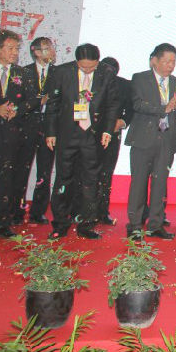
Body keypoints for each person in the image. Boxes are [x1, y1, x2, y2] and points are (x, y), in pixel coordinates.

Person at [45, 43, 120, 240]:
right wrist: (51, 133)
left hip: (92, 135)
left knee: (91, 180)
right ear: (76, 62)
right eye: (83, 67)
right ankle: (60, 223)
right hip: (67, 133)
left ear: (98, 62)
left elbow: (113, 105)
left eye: (92, 67)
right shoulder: (62, 72)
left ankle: (87, 224)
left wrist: (108, 131)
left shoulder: (107, 73)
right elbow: (53, 104)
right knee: (63, 178)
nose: (87, 70)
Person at [124, 43, 176, 239]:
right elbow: (137, 104)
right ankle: (134, 225)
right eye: (166, 61)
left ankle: (156, 225)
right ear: (154, 61)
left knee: (160, 185)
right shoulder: (140, 78)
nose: (170, 65)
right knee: (139, 183)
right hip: (143, 139)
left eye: (173, 62)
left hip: (166, 140)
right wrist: (163, 108)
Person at [13, 36, 56, 226]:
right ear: (36, 52)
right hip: (26, 126)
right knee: (21, 170)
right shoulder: (23, 72)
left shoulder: (58, 73)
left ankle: (38, 212)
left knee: (45, 172)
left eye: (51, 47)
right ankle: (16, 210)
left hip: (49, 128)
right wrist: (39, 101)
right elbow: (18, 102)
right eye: (46, 48)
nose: (51, 51)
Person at [0, 29, 29, 238]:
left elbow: (32, 100)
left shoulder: (21, 73)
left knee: (6, 180)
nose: (15, 52)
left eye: (17, 48)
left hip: (10, 134)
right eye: (10, 48)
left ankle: (2, 224)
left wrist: (17, 110)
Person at [95, 56, 134, 225]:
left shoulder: (125, 85)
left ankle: (102, 211)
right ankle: (82, 210)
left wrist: (122, 121)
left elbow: (131, 109)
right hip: (90, 134)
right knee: (86, 172)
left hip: (112, 134)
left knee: (106, 173)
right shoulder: (91, 82)